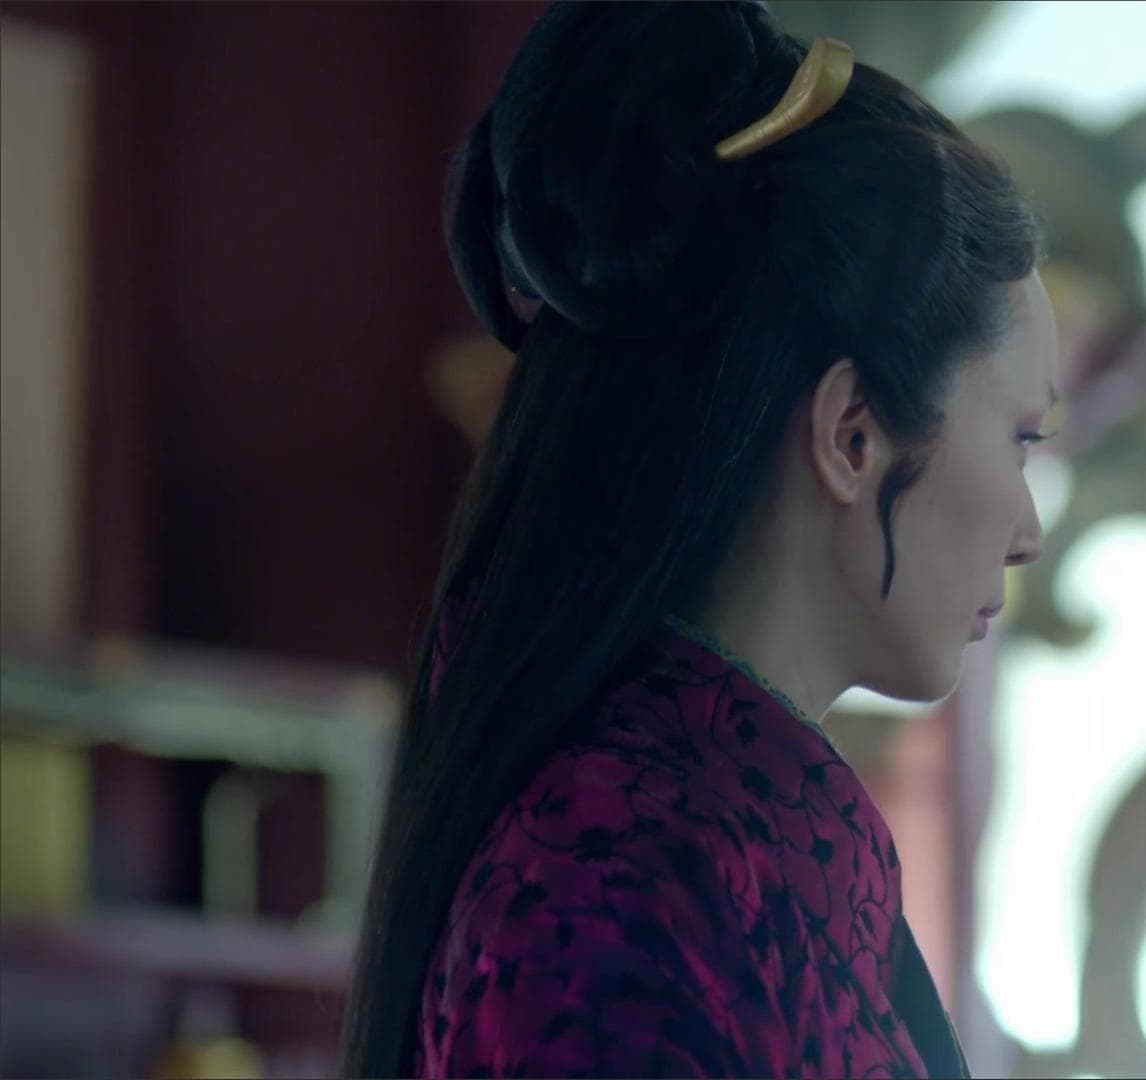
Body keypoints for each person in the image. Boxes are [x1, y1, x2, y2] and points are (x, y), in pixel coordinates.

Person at [337, 1, 1057, 1076]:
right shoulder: (617, 879)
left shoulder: (727, 844)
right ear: (852, 435)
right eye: (1022, 439)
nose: (1028, 533)